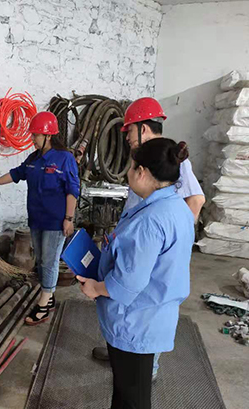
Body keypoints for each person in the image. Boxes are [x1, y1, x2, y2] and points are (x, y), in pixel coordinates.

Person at [78, 138, 195, 409]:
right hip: (152, 310)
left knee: (136, 394)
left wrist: (94, 288)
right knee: (125, 376)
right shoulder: (175, 206)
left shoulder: (150, 220)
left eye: (130, 168)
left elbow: (126, 284)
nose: (128, 174)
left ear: (142, 172)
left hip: (138, 318)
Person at [92, 98, 205, 379]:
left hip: (150, 253)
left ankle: (145, 366)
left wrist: (170, 249)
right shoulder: (145, 161)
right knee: (129, 308)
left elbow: (195, 200)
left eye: (129, 131)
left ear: (143, 128)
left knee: (144, 313)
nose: (127, 138)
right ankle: (123, 349)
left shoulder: (167, 160)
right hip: (140, 245)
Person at [0, 112, 80, 325]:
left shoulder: (65, 158)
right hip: (36, 219)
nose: (32, 138)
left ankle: (43, 304)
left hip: (55, 221)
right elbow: (16, 174)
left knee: (50, 261)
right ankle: (48, 297)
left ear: (48, 135)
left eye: (35, 135)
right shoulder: (34, 159)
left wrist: (69, 218)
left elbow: (72, 191)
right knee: (41, 260)